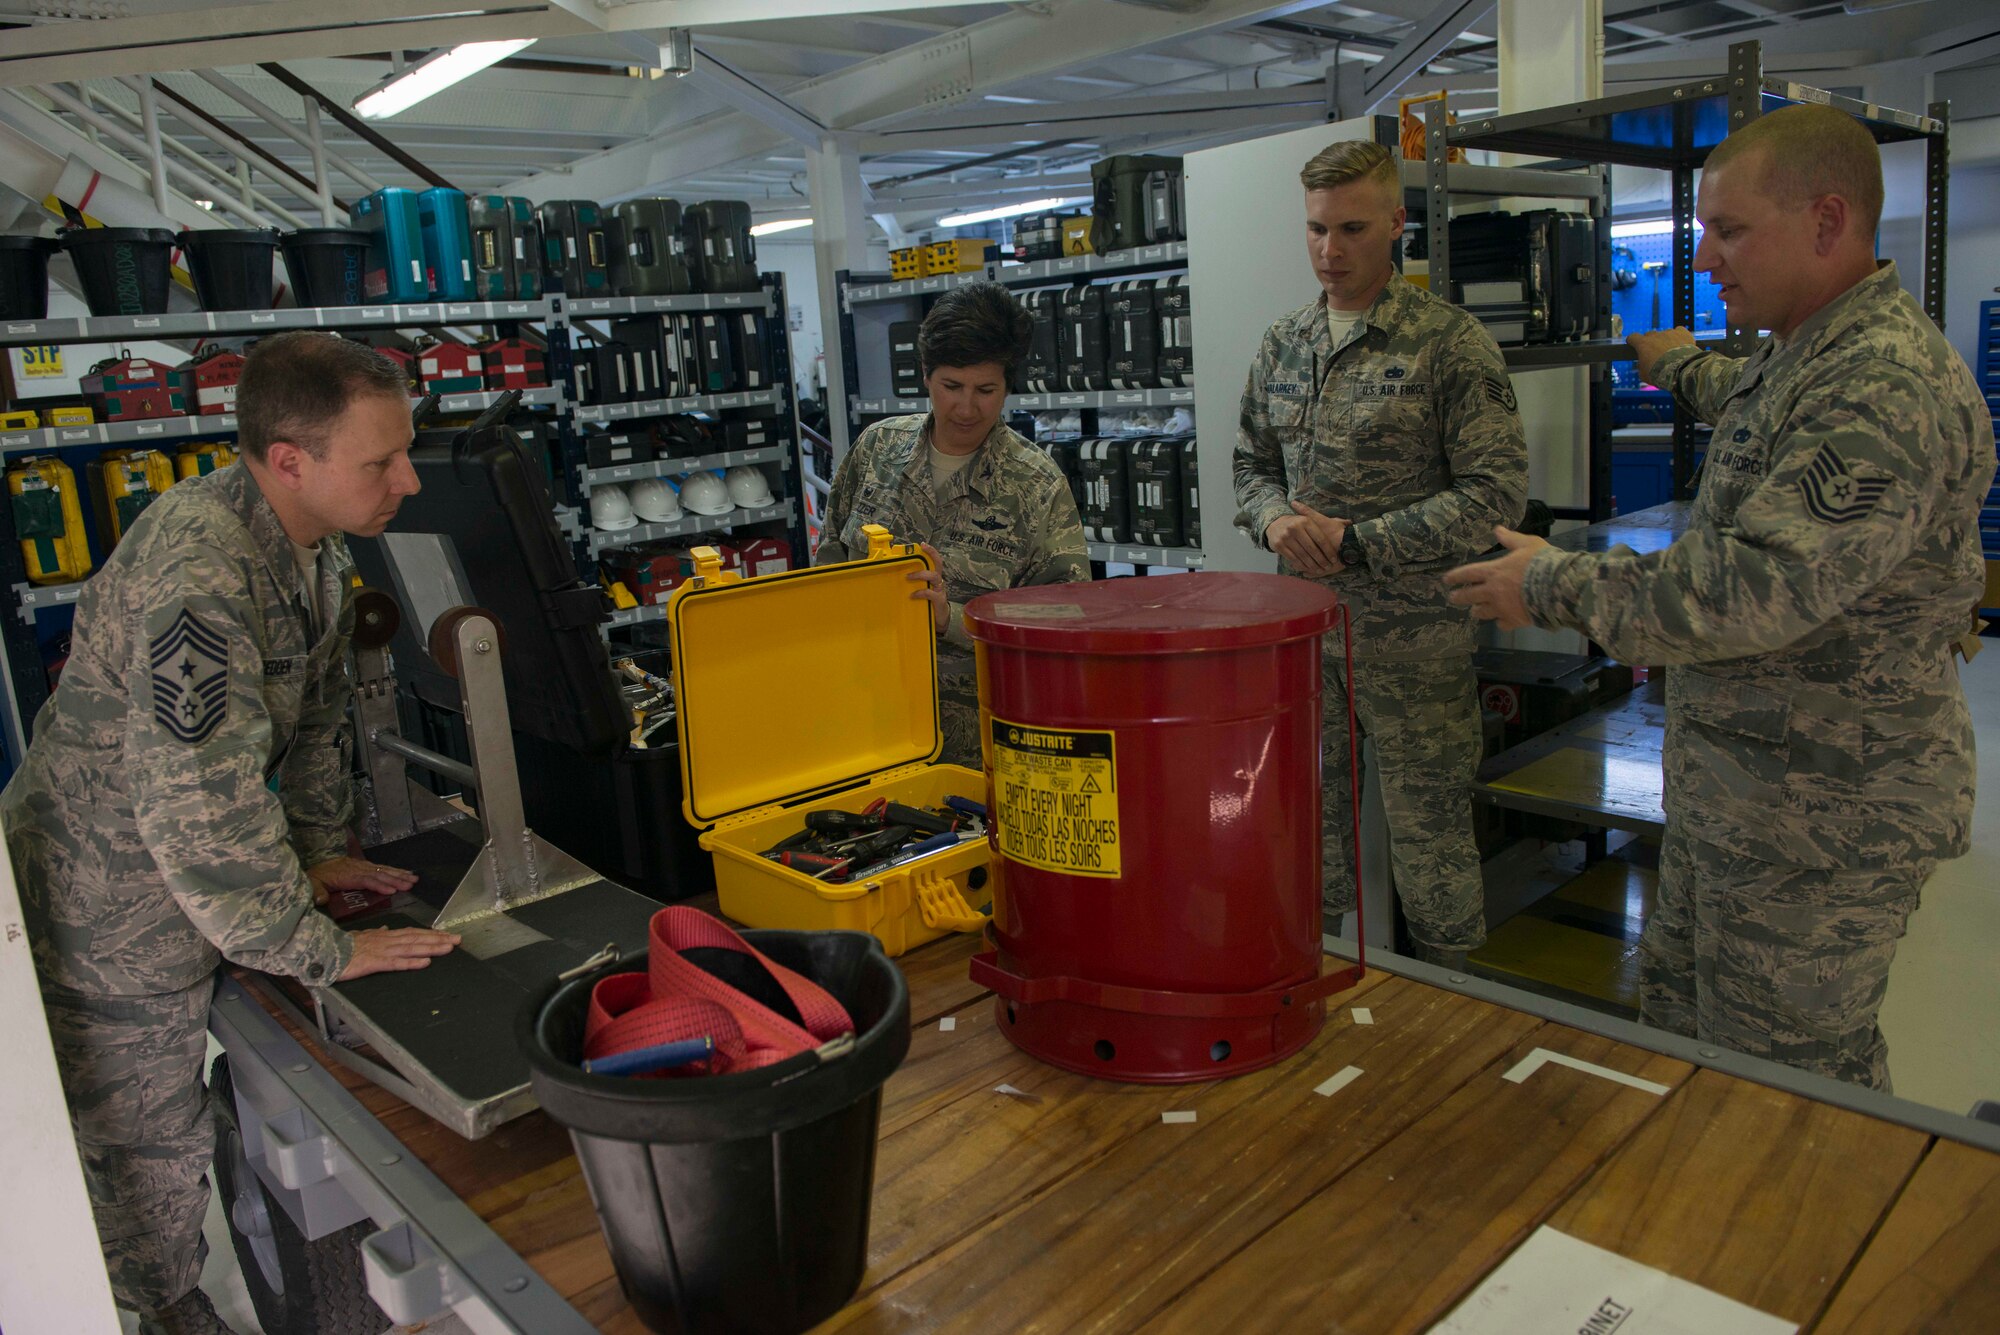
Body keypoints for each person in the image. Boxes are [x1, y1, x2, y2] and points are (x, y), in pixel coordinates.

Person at [1442, 104, 1989, 1090]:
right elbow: (1741, 410)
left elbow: (1750, 588)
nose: (1700, 259)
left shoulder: (1879, 386)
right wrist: (1674, 362)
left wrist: (1552, 582)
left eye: (1726, 231)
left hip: (1821, 817)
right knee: (1694, 1058)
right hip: (1739, 797)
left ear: (1827, 223)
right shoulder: (1797, 352)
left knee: (1788, 1094)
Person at [3, 332, 462, 1334]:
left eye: (405, 450)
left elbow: (307, 731)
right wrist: (317, 948)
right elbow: (196, 796)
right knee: (141, 1156)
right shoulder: (198, 573)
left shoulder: (313, 549)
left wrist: (309, 859)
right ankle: (163, 1317)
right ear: (288, 459)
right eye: (380, 460)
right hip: (110, 900)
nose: (409, 481)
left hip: (188, 873)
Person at [1234, 138, 1527, 966]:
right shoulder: (1284, 343)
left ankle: (1457, 1013)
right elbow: (1250, 463)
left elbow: (1496, 496)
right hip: (1305, 642)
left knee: (1432, 847)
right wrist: (1271, 522)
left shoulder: (1450, 344)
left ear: (1399, 224)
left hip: (1415, 645)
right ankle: (1313, 980)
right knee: (1309, 832)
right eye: (1317, 230)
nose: (1330, 251)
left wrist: (1358, 540)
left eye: (1353, 229)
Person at [816, 281, 1088, 767]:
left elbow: (1064, 622)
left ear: (1008, 384)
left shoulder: (1036, 486)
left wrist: (953, 619)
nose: (966, 408)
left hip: (975, 750)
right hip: (864, 725)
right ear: (925, 375)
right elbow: (826, 566)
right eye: (951, 387)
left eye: (986, 390)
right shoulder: (876, 450)